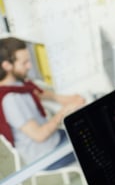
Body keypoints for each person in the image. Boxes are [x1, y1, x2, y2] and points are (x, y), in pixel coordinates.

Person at [0, 37, 85, 170]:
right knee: (97, 139)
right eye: (25, 63)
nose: (30, 66)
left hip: (54, 139)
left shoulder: (18, 84)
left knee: (91, 128)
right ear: (6, 66)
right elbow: (40, 135)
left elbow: (41, 94)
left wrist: (66, 99)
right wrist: (64, 111)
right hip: (46, 155)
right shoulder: (11, 100)